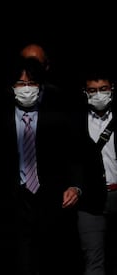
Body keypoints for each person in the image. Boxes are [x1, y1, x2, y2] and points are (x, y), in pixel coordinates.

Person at [0, 56, 84, 275]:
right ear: (11, 87)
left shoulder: (57, 118)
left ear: (40, 87)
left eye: (31, 83)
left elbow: (74, 155)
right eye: (21, 84)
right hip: (14, 202)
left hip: (52, 201)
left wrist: (75, 186)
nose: (26, 89)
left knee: (53, 262)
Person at [77, 67, 117, 275]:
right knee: (93, 262)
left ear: (112, 89)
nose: (99, 94)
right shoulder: (76, 120)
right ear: (85, 92)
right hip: (90, 201)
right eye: (93, 90)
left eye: (103, 88)